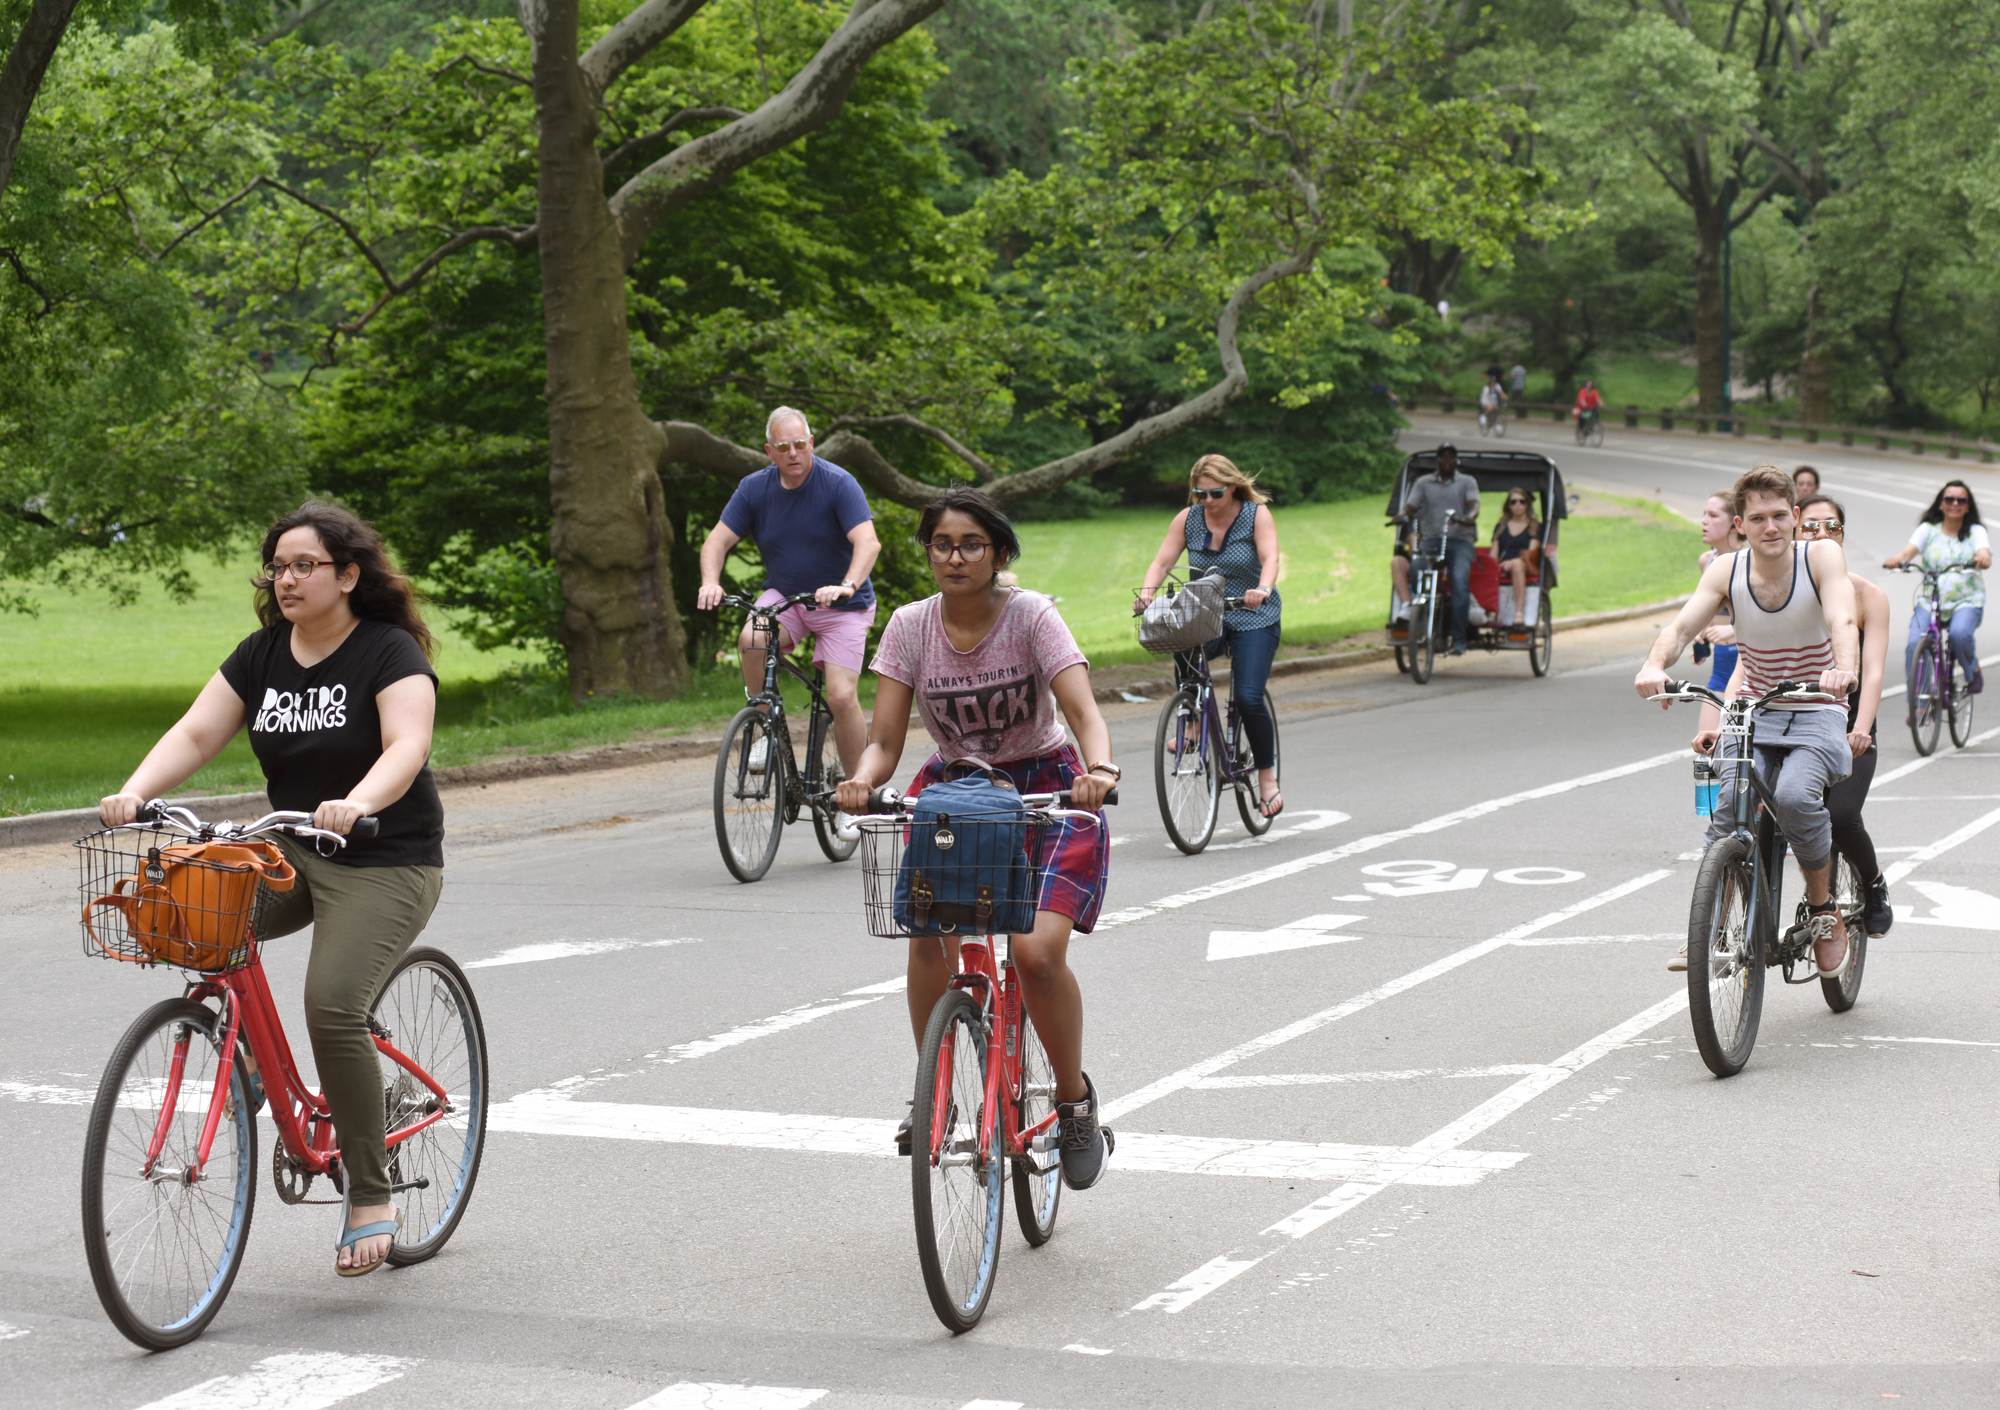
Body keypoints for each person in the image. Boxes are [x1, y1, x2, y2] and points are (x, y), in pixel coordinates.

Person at [99, 503, 446, 1277]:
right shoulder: (262, 656)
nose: (285, 580)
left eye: (303, 566)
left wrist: (359, 801)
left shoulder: (388, 652)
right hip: (292, 844)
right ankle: (246, 1057)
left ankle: (369, 1192)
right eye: (277, 568)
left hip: (384, 856)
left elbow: (408, 744)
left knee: (331, 1005)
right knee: (193, 913)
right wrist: (135, 790)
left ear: (347, 575)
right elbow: (196, 732)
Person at [835, 487, 1117, 1189]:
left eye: (970, 545)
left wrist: (1100, 769)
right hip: (960, 793)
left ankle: (1075, 1104)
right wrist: (862, 780)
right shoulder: (908, 626)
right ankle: (932, 1090)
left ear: (997, 555)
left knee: (1035, 953)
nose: (954, 558)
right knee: (926, 933)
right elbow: (886, 741)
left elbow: (1084, 712)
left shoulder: (1031, 616)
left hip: (1046, 791)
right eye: (941, 545)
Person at [1636, 465, 1860, 979]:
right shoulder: (1726, 571)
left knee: (1796, 798)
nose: (1771, 527)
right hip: (1755, 712)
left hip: (1816, 708)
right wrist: (1654, 665)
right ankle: (1712, 926)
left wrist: (1842, 668)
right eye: (1757, 518)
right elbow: (1680, 625)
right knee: (1728, 811)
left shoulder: (1820, 555)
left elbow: (1843, 619)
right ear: (1741, 524)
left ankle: (1824, 910)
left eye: (1781, 515)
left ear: (1797, 516)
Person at [696, 406, 883, 798]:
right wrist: (710, 582)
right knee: (752, 637)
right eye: (784, 446)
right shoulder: (754, 488)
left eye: (800, 444)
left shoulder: (837, 483)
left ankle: (857, 791)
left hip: (842, 604)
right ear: (770, 451)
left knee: (841, 696)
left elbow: (868, 542)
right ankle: (763, 724)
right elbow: (717, 540)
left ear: (811, 443)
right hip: (789, 597)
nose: (793, 453)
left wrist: (846, 584)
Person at [1136, 455, 1284, 817]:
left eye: (1215, 493)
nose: (1207, 501)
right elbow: (1162, 563)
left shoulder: (1255, 514)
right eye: (1199, 493)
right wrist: (1147, 592)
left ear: (1232, 486)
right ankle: (1194, 722)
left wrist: (1262, 588)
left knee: (1249, 698)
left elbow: (1271, 558)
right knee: (1177, 636)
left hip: (1253, 613)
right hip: (1206, 613)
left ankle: (1267, 776)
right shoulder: (1188, 519)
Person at [1795, 495, 1895, 937]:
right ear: (1796, 533)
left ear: (1842, 535)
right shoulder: (1781, 591)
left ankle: (1873, 884)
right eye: (1810, 527)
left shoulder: (1868, 596)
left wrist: (1860, 729)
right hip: (1795, 723)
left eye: (1830, 527)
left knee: (1840, 815)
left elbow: (1871, 672)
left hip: (1850, 725)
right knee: (1763, 811)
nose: (1820, 535)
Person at [1667, 491, 1745, 972]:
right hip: (1721, 680)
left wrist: (1731, 629)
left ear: (1734, 522)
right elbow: (1701, 615)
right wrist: (1690, 646)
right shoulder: (1709, 561)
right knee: (1716, 782)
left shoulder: (1758, 562)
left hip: (1761, 682)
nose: (1703, 521)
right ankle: (1709, 927)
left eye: (1711, 514)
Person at [1882, 480, 1989, 697]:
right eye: (1949, 499)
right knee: (1915, 643)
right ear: (1940, 503)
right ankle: (1920, 702)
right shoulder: (1928, 530)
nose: (1955, 503)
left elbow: (1983, 549)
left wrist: (1984, 557)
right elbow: (1907, 553)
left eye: (1961, 500)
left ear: (1968, 505)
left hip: (1966, 600)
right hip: (1930, 600)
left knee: (1959, 634)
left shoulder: (1975, 531)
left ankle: (1972, 669)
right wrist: (1897, 560)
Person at [1393, 444, 1480, 655]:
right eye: (1443, 457)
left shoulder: (1467, 481)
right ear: (1437, 460)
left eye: (1452, 457)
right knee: (1417, 566)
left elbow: (1474, 504)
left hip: (1460, 539)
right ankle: (1417, 613)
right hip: (1432, 538)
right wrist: (1403, 514)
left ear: (1457, 460)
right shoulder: (1424, 483)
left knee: (1459, 583)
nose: (1448, 461)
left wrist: (1468, 517)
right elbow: (1411, 506)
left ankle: (1459, 639)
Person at [1489, 487, 1540, 631]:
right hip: (1502, 563)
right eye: (1513, 502)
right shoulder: (1501, 526)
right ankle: (1491, 611)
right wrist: (1494, 564)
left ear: (1527, 505)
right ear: (1509, 506)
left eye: (1522, 502)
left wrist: (1512, 562)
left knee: (1517, 564)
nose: (1518, 505)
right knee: (1489, 566)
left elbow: (1531, 552)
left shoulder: (1534, 527)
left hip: (1523, 563)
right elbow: (1494, 551)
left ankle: (1519, 613)